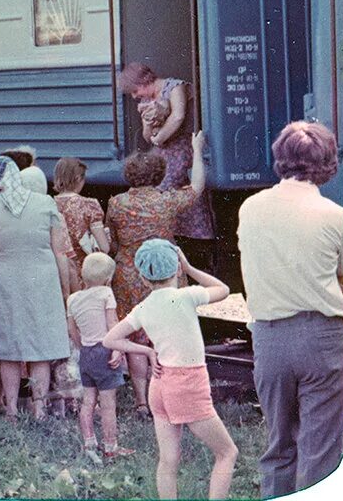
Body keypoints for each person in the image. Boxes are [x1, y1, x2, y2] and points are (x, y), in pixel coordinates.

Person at [237, 120, 343, 498]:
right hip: (322, 336)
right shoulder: (335, 216)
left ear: (280, 159)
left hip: (269, 337)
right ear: (327, 162)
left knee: (279, 443)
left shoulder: (250, 208)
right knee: (321, 448)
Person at [103, 239, 238, 500]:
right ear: (176, 268)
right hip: (188, 383)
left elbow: (110, 339)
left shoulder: (142, 308)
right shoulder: (186, 296)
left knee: (168, 461)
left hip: (160, 385)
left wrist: (147, 351)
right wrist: (188, 268)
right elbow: (223, 289)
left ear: (142, 277)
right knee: (227, 453)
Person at [106, 131, 206, 415]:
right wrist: (196, 149)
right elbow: (197, 186)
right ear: (159, 174)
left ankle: (141, 401)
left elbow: (113, 241)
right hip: (165, 272)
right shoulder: (167, 201)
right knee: (166, 334)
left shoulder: (116, 203)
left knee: (137, 335)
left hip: (129, 271)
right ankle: (166, 394)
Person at [0, 156, 70, 421]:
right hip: (42, 281)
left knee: (7, 346)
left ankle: (11, 410)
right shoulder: (46, 203)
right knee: (41, 347)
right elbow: (60, 252)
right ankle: (39, 409)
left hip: (5, 282)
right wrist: (66, 290)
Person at [118, 63, 215, 269]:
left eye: (135, 90)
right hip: (160, 150)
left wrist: (158, 138)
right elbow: (147, 137)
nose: (135, 96)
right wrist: (148, 126)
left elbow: (178, 116)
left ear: (143, 81)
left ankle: (188, 240)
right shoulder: (146, 101)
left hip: (180, 147)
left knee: (168, 187)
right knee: (165, 191)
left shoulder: (174, 87)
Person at [67, 252, 133, 460]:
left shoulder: (73, 299)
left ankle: (88, 443)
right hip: (105, 349)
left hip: (86, 353)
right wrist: (116, 348)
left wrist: (82, 347)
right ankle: (110, 446)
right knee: (108, 404)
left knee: (88, 402)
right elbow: (113, 324)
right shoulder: (106, 293)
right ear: (108, 279)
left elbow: (72, 330)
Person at [53, 157, 109, 293]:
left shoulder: (50, 204)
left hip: (57, 271)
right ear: (78, 178)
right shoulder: (89, 205)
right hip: (83, 275)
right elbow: (104, 248)